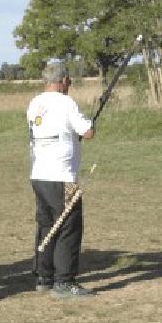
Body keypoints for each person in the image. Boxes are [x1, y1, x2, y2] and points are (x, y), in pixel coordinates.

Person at [26, 61, 97, 299]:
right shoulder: (66, 102)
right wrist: (88, 123)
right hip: (61, 175)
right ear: (64, 80)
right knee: (68, 226)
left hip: (39, 174)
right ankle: (64, 281)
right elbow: (87, 132)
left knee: (46, 226)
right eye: (69, 80)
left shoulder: (34, 103)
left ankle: (44, 276)